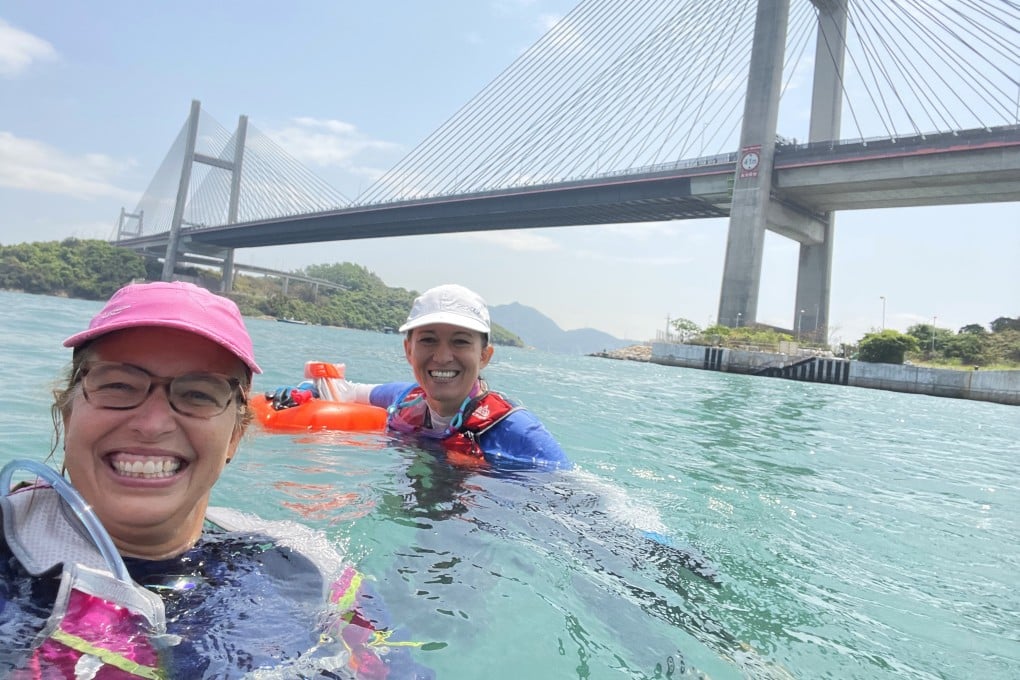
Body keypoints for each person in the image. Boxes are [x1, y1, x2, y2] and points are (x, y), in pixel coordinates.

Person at [0, 281, 431, 679]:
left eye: (198, 394)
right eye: (117, 385)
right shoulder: (10, 556)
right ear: (68, 411)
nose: (152, 423)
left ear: (235, 436)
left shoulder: (310, 574)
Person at [304, 284, 571, 471]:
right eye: (429, 340)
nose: (442, 357)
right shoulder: (404, 399)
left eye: (460, 342)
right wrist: (308, 389)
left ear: (484, 356)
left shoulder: (520, 434)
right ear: (409, 350)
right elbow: (346, 391)